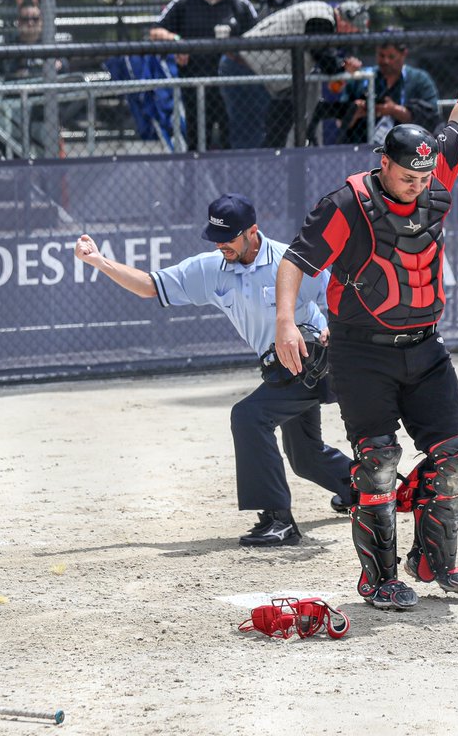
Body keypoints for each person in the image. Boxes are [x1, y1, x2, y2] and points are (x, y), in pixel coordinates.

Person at [272, 0, 458, 610]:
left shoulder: (435, 176)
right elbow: (295, 261)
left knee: (454, 456)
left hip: (425, 348)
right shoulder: (346, 203)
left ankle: (437, 563)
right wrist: (286, 323)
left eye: (424, 176)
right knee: (379, 461)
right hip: (361, 353)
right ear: (384, 163)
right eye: (407, 176)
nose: (417, 185)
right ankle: (378, 578)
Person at [72, 194, 353, 547]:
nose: (221, 245)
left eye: (228, 237)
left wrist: (335, 330)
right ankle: (365, 489)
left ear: (252, 231)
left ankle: (278, 521)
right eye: (216, 237)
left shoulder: (289, 260)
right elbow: (149, 286)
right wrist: (98, 261)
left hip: (314, 362)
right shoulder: (211, 268)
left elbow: (340, 294)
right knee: (305, 457)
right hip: (280, 369)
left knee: (249, 417)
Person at [221, 1, 367, 150]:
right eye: (353, 30)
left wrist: (340, 67)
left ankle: (260, 164)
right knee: (250, 133)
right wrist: (343, 66)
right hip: (244, 66)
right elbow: (324, 59)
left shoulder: (322, 14)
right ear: (345, 21)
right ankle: (248, 166)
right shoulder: (321, 19)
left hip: (252, 69)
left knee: (264, 132)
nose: (352, 35)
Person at [150, 0, 258, 150]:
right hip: (195, 88)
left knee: (235, 142)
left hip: (233, 88)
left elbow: (259, 37)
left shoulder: (240, 5)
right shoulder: (184, 4)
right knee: (198, 144)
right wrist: (177, 42)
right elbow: (156, 31)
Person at [339, 29, 441, 145]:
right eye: (381, 55)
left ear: (404, 54)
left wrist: (393, 110)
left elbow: (432, 119)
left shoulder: (419, 79)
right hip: (360, 147)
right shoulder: (363, 77)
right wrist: (355, 112)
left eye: (391, 57)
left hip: (408, 147)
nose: (386, 61)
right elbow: (339, 122)